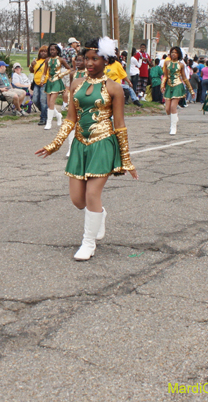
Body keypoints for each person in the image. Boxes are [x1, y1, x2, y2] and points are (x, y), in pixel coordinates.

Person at [35, 37, 138, 261]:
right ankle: (98, 213)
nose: (89, 63)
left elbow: (119, 124)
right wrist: (55, 145)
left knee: (92, 194)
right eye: (86, 59)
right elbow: (70, 119)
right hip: (80, 144)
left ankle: (88, 243)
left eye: (94, 59)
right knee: (78, 200)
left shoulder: (115, 88)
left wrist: (126, 159)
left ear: (106, 60)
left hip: (103, 144)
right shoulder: (76, 83)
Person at [161, 46, 195, 135]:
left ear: (179, 54)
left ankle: (173, 127)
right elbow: (165, 75)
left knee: (173, 107)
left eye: (175, 52)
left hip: (178, 86)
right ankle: (174, 119)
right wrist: (162, 85)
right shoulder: (166, 63)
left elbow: (184, 78)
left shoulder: (181, 65)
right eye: (172, 52)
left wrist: (191, 90)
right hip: (169, 86)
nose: (173, 54)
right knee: (167, 109)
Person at [43, 43, 72, 129]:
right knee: (49, 104)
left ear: (57, 51)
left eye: (53, 50)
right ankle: (58, 115)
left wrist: (61, 74)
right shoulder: (47, 60)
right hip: (49, 81)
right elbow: (45, 72)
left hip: (57, 82)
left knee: (52, 102)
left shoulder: (60, 60)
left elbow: (69, 69)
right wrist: (42, 80)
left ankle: (49, 122)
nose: (52, 51)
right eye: (50, 50)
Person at [29, 45, 50, 126]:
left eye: (45, 51)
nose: (43, 53)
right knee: (35, 100)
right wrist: (32, 65)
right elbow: (31, 71)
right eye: (41, 51)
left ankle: (43, 118)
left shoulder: (49, 61)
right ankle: (46, 112)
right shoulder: (37, 61)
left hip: (45, 83)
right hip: (36, 83)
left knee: (43, 100)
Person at [61, 39, 79, 110]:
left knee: (64, 88)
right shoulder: (72, 50)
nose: (76, 44)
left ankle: (64, 103)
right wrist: (74, 68)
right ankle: (66, 105)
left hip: (62, 69)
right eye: (75, 43)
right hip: (68, 69)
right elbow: (73, 59)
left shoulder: (63, 49)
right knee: (68, 88)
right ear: (72, 43)